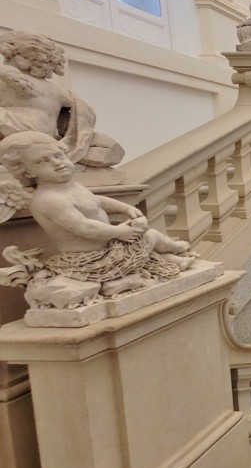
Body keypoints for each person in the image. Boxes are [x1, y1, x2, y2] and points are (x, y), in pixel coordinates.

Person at [0, 132, 195, 299]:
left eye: (59, 155)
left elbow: (97, 201)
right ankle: (173, 249)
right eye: (43, 161)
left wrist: (124, 209)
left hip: (108, 247)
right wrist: (118, 232)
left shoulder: (70, 187)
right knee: (149, 236)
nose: (58, 163)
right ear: (26, 170)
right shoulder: (48, 199)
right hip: (91, 258)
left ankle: (174, 259)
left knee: (143, 244)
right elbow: (82, 226)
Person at [0, 31, 124, 168]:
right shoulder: (58, 91)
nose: (5, 60)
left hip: (18, 134)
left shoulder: (5, 79)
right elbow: (83, 111)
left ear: (17, 57)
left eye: (6, 56)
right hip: (46, 138)